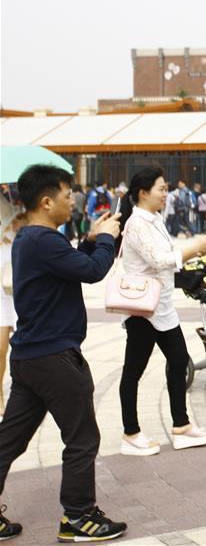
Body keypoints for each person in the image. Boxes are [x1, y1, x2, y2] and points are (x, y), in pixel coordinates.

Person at [0, 165, 128, 543]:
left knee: (10, 440)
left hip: (30, 357)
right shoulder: (43, 240)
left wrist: (90, 239)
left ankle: (78, 514)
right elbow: (92, 271)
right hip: (54, 359)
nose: (73, 200)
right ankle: (78, 516)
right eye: (67, 194)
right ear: (46, 201)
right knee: (82, 438)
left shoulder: (31, 239)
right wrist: (105, 239)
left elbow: (71, 264)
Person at [117, 167, 206, 456]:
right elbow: (160, 260)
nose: (165, 193)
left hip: (162, 307)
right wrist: (194, 248)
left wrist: (191, 251)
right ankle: (130, 433)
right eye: (161, 188)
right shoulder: (136, 223)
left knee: (178, 361)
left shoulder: (155, 219)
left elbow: (166, 255)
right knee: (133, 371)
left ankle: (181, 426)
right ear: (143, 193)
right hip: (142, 310)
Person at [0, 214, 25, 420]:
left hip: (14, 284)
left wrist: (19, 228)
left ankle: (22, 396)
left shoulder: (16, 208)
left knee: (20, 346)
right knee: (0, 348)